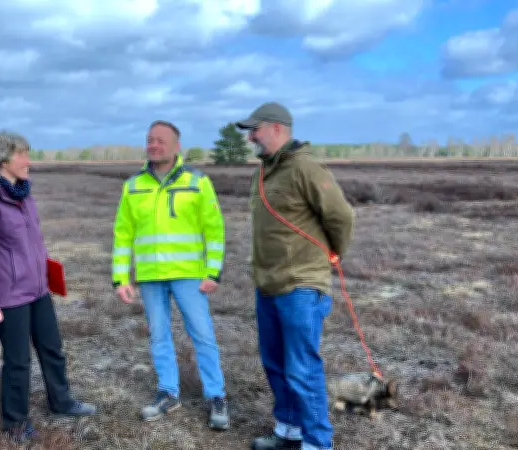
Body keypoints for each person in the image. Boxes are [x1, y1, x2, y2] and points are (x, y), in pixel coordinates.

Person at [0, 130, 97, 443]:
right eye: (23, 155)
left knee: (52, 350)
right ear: (3, 159)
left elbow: (32, 244)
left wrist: (47, 274)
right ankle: (15, 422)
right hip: (9, 298)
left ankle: (61, 402)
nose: (29, 161)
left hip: (38, 291)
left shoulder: (22, 194)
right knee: (18, 361)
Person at [235, 102, 355, 450]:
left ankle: (318, 443)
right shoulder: (263, 173)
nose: (251, 137)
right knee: (275, 363)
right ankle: (289, 432)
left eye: (254, 129)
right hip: (268, 285)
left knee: (302, 369)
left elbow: (341, 217)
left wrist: (332, 255)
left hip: (301, 285)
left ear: (276, 128)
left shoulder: (307, 167)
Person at [111, 120, 230, 429]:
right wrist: (121, 277)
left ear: (177, 146)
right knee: (159, 335)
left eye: (161, 140)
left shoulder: (197, 181)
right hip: (150, 276)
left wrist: (213, 272)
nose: (154, 145)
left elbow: (214, 230)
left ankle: (216, 396)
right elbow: (123, 235)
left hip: (190, 275)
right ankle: (168, 393)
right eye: (150, 140)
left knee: (202, 335)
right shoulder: (133, 185)